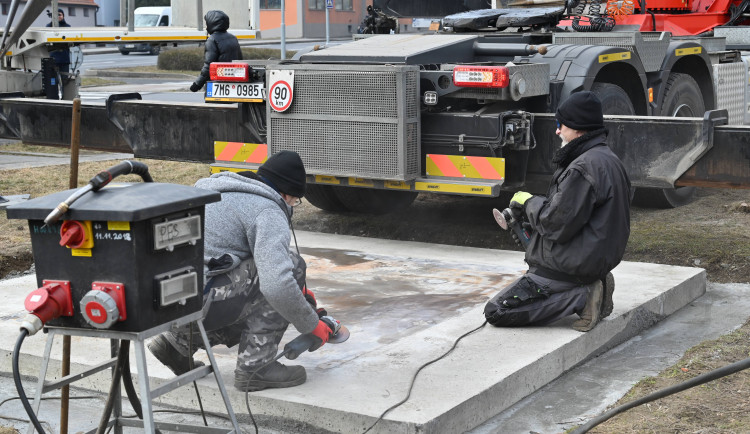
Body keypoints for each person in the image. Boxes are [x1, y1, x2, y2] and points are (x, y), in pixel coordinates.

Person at [148, 151, 337, 391]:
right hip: (200, 300)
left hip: (162, 301)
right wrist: (311, 324)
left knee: (257, 275)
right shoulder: (267, 210)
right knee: (291, 267)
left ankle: (176, 345)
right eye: (294, 201)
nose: (292, 206)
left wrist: (302, 298)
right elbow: (277, 287)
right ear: (287, 194)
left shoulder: (213, 190)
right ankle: (256, 367)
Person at [484, 91, 632, 332]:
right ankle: (591, 283)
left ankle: (583, 297)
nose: (557, 131)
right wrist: (534, 207)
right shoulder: (607, 159)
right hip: (591, 258)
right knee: (530, 217)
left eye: (560, 124)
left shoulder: (582, 168)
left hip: (570, 266)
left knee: (497, 311)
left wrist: (528, 202)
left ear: (577, 127)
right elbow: (571, 210)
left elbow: (553, 223)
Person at [190, 10, 242, 92]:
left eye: (207, 24)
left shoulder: (212, 40)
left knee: (216, 104)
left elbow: (208, 65)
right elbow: (240, 61)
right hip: (234, 82)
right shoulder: (233, 38)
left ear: (211, 23)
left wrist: (197, 84)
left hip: (218, 84)